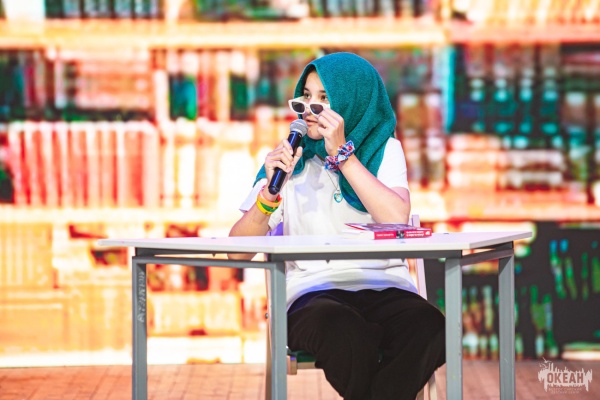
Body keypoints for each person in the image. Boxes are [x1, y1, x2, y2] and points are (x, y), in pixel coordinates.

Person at [229, 52, 445, 400]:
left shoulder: (385, 150)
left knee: (431, 326)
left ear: (353, 102)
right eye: (305, 98)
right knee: (344, 331)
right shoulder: (291, 159)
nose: (309, 110)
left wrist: (344, 156)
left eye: (323, 100)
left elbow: (395, 218)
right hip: (312, 294)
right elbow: (236, 251)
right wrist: (269, 194)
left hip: (385, 287)